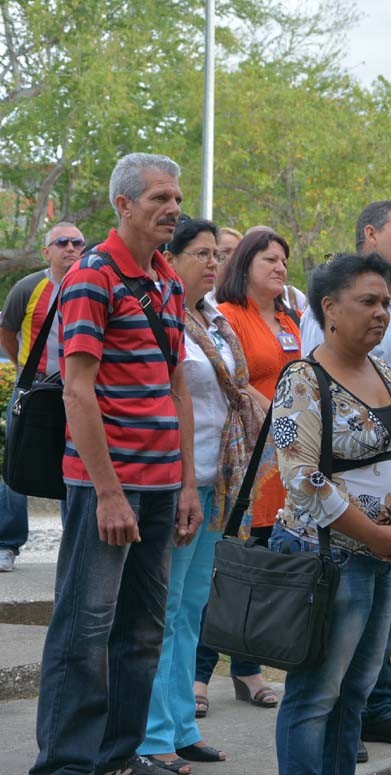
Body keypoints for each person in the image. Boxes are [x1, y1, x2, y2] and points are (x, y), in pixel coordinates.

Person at [32, 152, 202, 775]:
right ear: (123, 205)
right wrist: (107, 492)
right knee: (83, 633)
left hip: (161, 490)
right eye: (159, 197)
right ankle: (65, 766)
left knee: (143, 635)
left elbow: (176, 386)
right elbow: (79, 390)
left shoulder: (168, 279)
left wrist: (186, 483)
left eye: (176, 197)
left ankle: (117, 761)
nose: (174, 208)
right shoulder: (91, 276)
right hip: (107, 488)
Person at [271, 252, 391, 774]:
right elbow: (302, 479)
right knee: (317, 693)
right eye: (368, 301)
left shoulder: (383, 370)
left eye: (385, 302)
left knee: (356, 691)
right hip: (332, 559)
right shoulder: (302, 379)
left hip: (388, 557)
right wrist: (371, 534)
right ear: (330, 308)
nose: (381, 312)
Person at [140, 218, 264, 770]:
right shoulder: (161, 314)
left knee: (192, 609)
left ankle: (182, 726)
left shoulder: (215, 321)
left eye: (218, 254)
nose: (214, 262)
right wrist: (188, 481)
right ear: (173, 257)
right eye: (201, 253)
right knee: (161, 611)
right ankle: (153, 735)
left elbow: (239, 394)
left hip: (220, 480)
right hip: (175, 481)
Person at [0, 221, 84, 572]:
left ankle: (75, 541)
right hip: (33, 387)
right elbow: (7, 331)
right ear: (46, 251)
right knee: (15, 462)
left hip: (76, 389)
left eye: (77, 242)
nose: (70, 248)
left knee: (75, 464)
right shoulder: (28, 287)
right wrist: (25, 368)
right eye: (61, 242)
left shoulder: (92, 284)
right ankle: (7, 541)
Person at [215, 227, 300, 544]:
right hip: (252, 457)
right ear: (245, 265)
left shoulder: (295, 319)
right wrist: (282, 418)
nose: (281, 267)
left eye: (284, 261)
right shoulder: (227, 317)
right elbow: (233, 380)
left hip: (296, 464)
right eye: (270, 260)